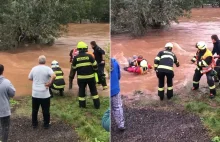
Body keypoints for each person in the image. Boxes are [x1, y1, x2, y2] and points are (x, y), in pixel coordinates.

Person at [69, 41, 100, 109]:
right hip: (91, 77)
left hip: (81, 78)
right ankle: (97, 105)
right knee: (94, 91)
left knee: (81, 91)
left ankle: (82, 106)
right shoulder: (90, 56)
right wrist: (94, 71)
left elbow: (74, 68)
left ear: (79, 49)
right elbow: (95, 66)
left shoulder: (75, 58)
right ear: (84, 49)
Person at [28, 55, 56, 129]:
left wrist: (36, 81)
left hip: (35, 93)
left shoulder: (34, 69)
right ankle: (46, 125)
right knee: (46, 110)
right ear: (45, 61)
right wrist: (50, 83)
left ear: (38, 61)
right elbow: (54, 76)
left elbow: (29, 78)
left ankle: (34, 124)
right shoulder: (47, 69)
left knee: (34, 110)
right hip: (45, 94)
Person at [0, 64, 16, 142]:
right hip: (4, 110)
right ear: (3, 71)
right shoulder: (6, 82)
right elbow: (12, 94)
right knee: (5, 128)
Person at [111, 58, 125, 131]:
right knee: (117, 107)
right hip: (115, 89)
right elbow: (119, 76)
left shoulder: (100, 63)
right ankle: (121, 125)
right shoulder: (115, 63)